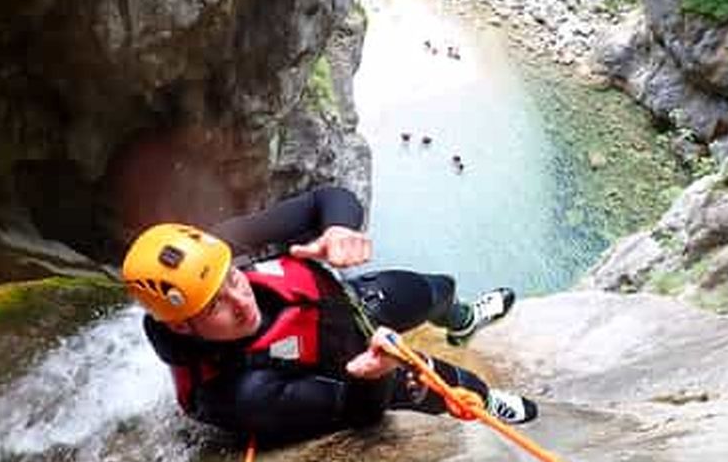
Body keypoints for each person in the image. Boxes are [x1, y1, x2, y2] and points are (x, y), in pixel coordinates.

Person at [122, 185, 538, 444]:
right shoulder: (238, 394)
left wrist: (339, 228)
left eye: (233, 277)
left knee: (436, 289)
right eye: (216, 305)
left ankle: (462, 320)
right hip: (347, 371)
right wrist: (375, 376)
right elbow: (356, 414)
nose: (242, 301)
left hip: (348, 304)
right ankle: (487, 401)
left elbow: (326, 199)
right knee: (450, 384)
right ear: (181, 324)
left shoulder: (214, 251)